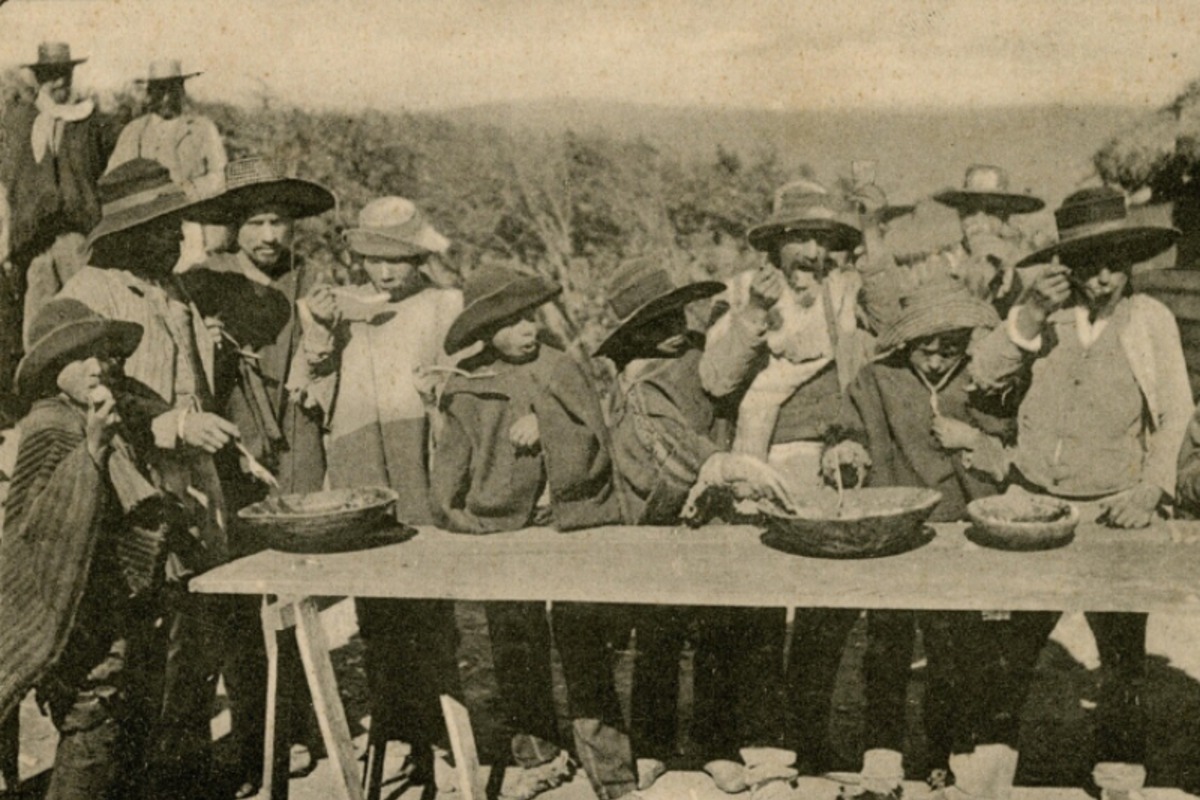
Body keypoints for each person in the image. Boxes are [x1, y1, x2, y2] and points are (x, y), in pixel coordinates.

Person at [970, 186, 1192, 800]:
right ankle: (990, 769)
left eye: (1115, 264)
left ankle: (1118, 771)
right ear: (1065, 266)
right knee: (1012, 646)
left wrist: (1152, 487)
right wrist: (1030, 315)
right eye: (1089, 264)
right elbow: (983, 379)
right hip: (1034, 504)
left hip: (1114, 508)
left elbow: (1174, 413)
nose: (1103, 278)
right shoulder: (1044, 315)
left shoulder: (1149, 321)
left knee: (1120, 649)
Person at [57, 158, 247, 799]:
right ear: (125, 231)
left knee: (198, 652)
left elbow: (189, 377)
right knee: (146, 660)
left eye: (177, 226)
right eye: (161, 228)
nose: (175, 239)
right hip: (137, 502)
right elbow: (84, 390)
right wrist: (170, 424)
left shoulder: (175, 290)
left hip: (196, 496)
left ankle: (182, 782)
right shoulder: (86, 293)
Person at [822, 279, 1051, 800]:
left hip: (959, 533)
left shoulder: (979, 383)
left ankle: (943, 757)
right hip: (894, 533)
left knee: (955, 654)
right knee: (887, 648)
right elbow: (846, 429)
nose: (935, 358)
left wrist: (973, 438)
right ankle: (880, 759)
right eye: (926, 348)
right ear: (906, 345)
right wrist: (847, 452)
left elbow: (1011, 446)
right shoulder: (877, 378)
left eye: (948, 347)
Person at [699, 178, 888, 773]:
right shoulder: (742, 292)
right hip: (756, 464)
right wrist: (754, 312)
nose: (809, 251)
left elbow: (895, 325)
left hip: (830, 463)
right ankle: (733, 741)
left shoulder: (846, 292)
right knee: (747, 609)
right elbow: (717, 380)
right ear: (774, 244)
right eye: (797, 237)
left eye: (822, 238)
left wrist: (870, 244)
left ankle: (806, 737)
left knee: (823, 613)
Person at [598, 257, 801, 800]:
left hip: (715, 512)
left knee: (718, 630)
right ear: (631, 335)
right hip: (656, 513)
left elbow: (731, 362)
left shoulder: (700, 352)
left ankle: (716, 743)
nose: (666, 334)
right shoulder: (634, 383)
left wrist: (755, 311)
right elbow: (662, 448)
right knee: (658, 636)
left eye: (670, 320)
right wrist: (719, 466)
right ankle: (652, 744)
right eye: (650, 327)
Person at [290, 195, 464, 793]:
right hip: (360, 454)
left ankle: (441, 733)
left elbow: (461, 375)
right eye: (371, 259)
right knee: (380, 608)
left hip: (419, 455)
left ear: (419, 256)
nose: (385, 273)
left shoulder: (444, 305)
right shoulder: (341, 308)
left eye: (397, 260)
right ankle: (397, 730)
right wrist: (317, 330)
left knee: (429, 598)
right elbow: (313, 388)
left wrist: (438, 386)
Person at [431, 264, 624, 799]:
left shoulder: (562, 369)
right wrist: (464, 521)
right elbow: (450, 470)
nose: (527, 330)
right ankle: (539, 755)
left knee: (583, 640)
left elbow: (596, 436)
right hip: (502, 532)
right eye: (511, 322)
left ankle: (610, 769)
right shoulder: (469, 387)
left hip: (568, 525)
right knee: (513, 642)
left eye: (530, 318)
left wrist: (550, 424)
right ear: (485, 330)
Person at [183, 155, 336, 797]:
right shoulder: (203, 285)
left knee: (297, 595)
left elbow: (332, 374)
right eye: (256, 222)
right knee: (241, 609)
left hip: (298, 453)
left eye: (278, 221)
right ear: (235, 229)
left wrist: (322, 346)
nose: (269, 236)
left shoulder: (313, 284)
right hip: (233, 459)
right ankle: (255, 742)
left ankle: (301, 729)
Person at [0, 298, 166, 800]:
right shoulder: (52, 424)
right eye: (80, 356)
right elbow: (34, 527)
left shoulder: (94, 414)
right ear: (53, 371)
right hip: (69, 606)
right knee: (91, 720)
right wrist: (92, 452)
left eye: (101, 353)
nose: (97, 365)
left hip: (101, 601)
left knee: (111, 727)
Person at [0, 42, 111, 387]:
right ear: (38, 79)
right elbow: (11, 182)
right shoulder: (21, 120)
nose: (58, 84)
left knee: (82, 309)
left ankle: (88, 386)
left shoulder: (89, 122)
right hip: (35, 240)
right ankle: (40, 390)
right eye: (50, 76)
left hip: (76, 235)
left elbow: (99, 173)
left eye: (63, 75)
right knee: (38, 314)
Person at [107, 59, 228, 270]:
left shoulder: (202, 128)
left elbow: (221, 175)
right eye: (159, 90)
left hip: (191, 222)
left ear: (181, 90)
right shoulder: (135, 131)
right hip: (146, 224)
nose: (166, 98)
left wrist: (188, 190)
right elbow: (115, 178)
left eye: (172, 89)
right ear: (149, 93)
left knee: (191, 275)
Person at [932, 164, 1045, 315]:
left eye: (991, 211)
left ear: (1005, 217)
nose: (979, 220)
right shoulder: (943, 264)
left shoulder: (1023, 264)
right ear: (960, 214)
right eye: (970, 210)